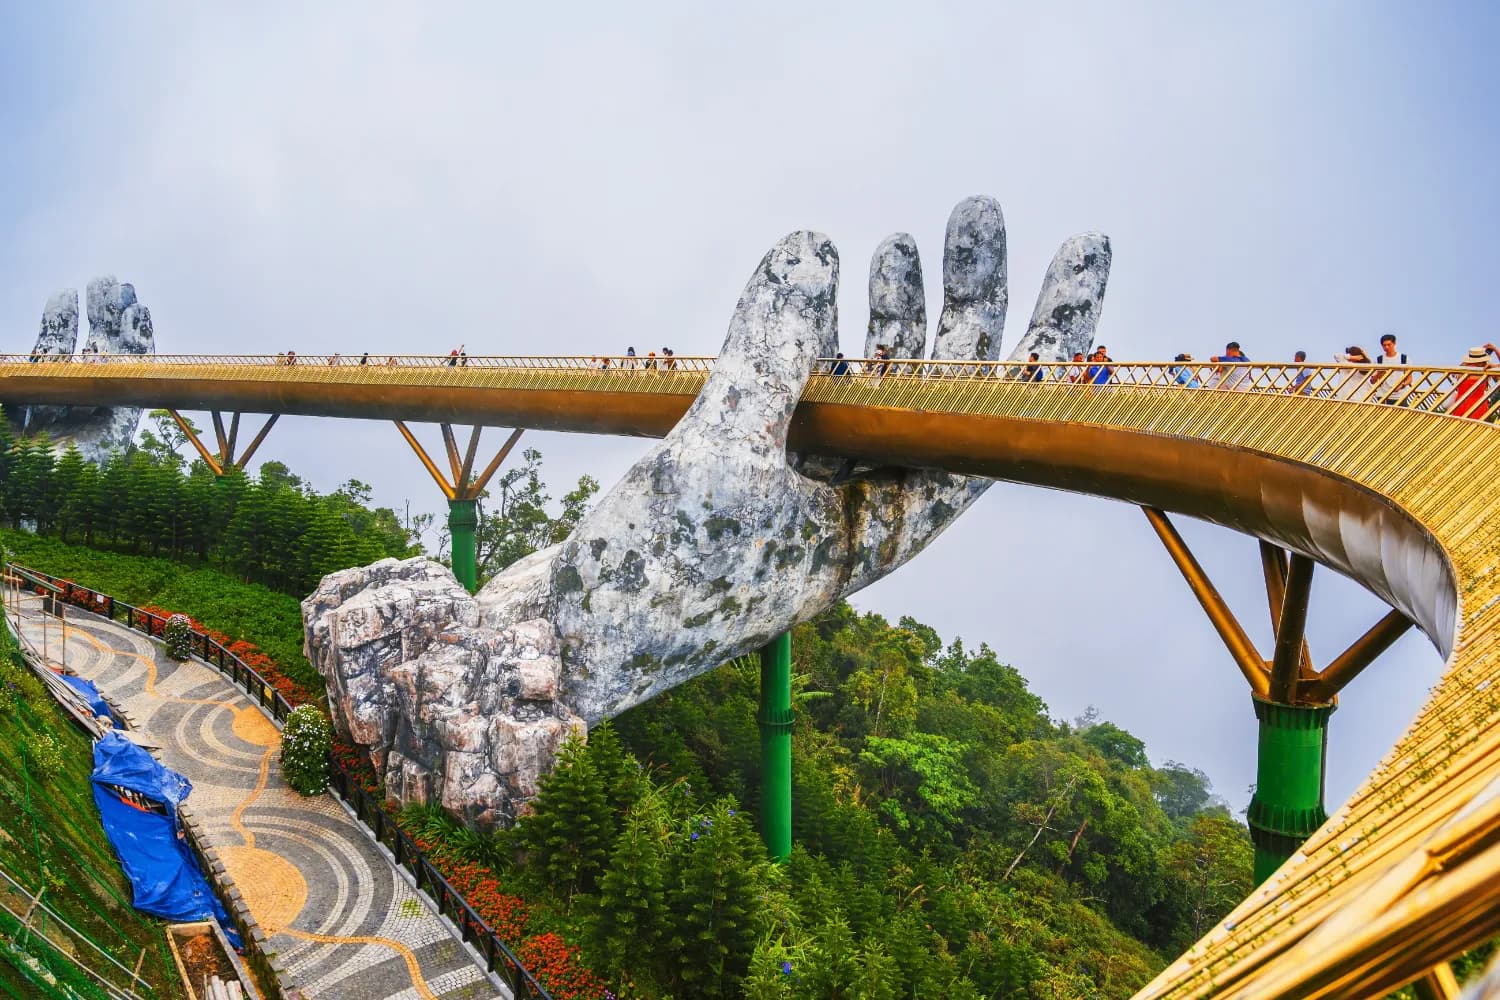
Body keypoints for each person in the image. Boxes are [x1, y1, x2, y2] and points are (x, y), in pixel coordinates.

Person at [1450, 345, 1500, 419]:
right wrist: (1495, 350)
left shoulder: (1461, 370)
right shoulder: (1485, 372)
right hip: (1478, 408)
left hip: (1460, 406)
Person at [1374, 333, 1411, 403]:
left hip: (1400, 395)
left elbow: (1409, 379)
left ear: (1394, 344)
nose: (1386, 347)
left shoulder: (1404, 358)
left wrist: (1402, 386)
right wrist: (1379, 373)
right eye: (1384, 345)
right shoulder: (1379, 360)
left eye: (1389, 344)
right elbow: (1372, 381)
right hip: (1383, 395)